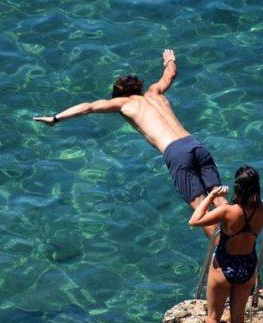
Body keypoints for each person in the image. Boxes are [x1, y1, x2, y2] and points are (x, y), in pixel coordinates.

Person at [34, 49, 226, 237]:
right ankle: (243, 234)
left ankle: (224, 252)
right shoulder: (155, 92)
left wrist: (55, 118)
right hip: (195, 144)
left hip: (176, 152)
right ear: (139, 89)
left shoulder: (123, 103)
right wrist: (169, 60)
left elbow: (88, 107)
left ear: (118, 96)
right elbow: (171, 73)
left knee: (201, 208)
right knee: (218, 196)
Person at [187, 166, 263, 323]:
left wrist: (212, 196)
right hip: (247, 266)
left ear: (237, 187)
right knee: (238, 318)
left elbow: (194, 220)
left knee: (213, 317)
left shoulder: (228, 211)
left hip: (224, 265)